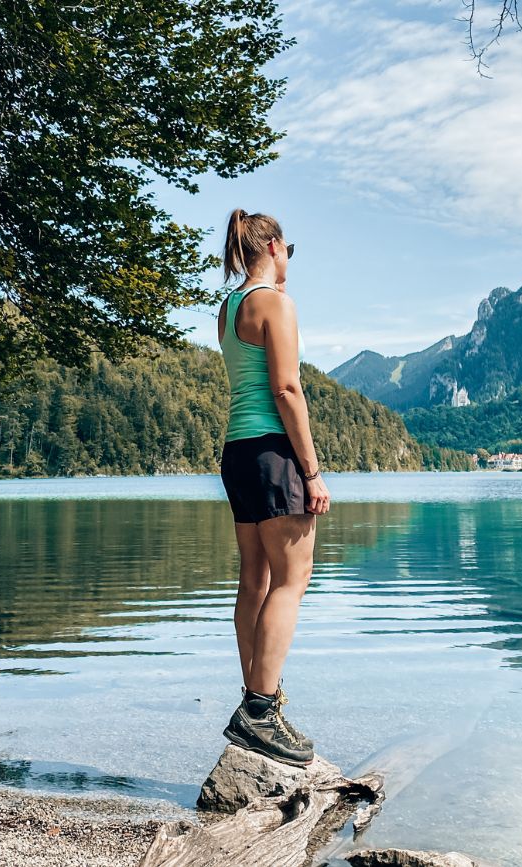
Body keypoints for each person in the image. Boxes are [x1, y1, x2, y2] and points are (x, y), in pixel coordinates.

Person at [216, 208, 331, 767]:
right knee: (293, 579)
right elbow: (287, 389)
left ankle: (257, 702)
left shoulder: (228, 308)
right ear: (276, 246)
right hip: (273, 452)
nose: (290, 264)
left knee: (254, 580)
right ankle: (261, 710)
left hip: (237, 453)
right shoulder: (274, 304)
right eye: (289, 253)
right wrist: (311, 471)